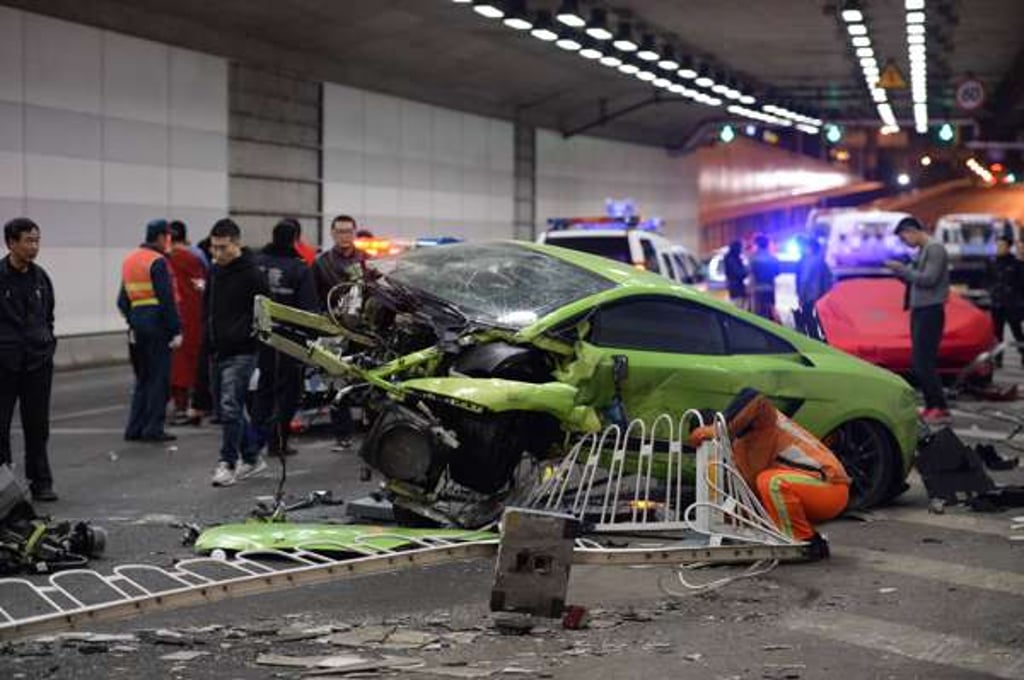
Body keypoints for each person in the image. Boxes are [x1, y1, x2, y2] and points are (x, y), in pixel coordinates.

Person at [690, 388, 847, 558]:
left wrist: (715, 430)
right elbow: (746, 497)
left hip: (830, 486)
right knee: (764, 484)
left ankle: (803, 541)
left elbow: (753, 395)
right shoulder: (741, 446)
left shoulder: (764, 420)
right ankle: (811, 540)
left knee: (771, 482)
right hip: (812, 489)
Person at [205, 219, 270, 486]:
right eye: (214, 248)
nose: (217, 254)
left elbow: (264, 313)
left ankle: (227, 463)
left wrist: (254, 341)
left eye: (223, 248)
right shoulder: (215, 272)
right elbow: (207, 309)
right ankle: (252, 457)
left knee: (230, 407)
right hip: (219, 348)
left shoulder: (252, 274)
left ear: (237, 243)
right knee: (231, 408)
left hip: (243, 350)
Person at [0, 218, 58, 502]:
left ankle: (41, 482)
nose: (34, 246)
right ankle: (5, 486)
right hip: (5, 364)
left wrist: (47, 344)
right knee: (1, 426)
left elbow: (48, 316)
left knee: (37, 426)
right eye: (28, 241)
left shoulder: (41, 279)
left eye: (36, 240)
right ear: (11, 243)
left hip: (37, 363)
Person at [252, 219, 319, 457]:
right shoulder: (299, 268)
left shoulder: (255, 263)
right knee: (288, 392)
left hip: (259, 337)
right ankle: (277, 441)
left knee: (263, 388)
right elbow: (308, 310)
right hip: (289, 341)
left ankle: (255, 440)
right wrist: (314, 338)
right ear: (295, 240)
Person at [117, 219, 181, 443]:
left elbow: (122, 300)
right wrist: (176, 329)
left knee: (142, 378)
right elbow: (167, 299)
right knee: (158, 378)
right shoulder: (158, 261)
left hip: (136, 324)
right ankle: (153, 428)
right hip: (157, 325)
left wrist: (134, 318)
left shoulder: (130, 260)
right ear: (163, 237)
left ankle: (134, 428)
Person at [314, 215, 374, 451]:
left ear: (354, 233)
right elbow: (314, 296)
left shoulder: (367, 262)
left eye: (348, 231)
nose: (344, 236)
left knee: (370, 380)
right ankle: (343, 436)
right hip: (333, 329)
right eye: (339, 232)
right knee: (336, 383)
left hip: (364, 331)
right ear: (332, 233)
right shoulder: (321, 264)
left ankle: (372, 433)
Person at [885, 216, 951, 425]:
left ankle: (940, 407)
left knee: (924, 361)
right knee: (919, 361)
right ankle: (932, 405)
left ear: (912, 231)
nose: (905, 242)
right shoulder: (923, 250)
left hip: (930, 310)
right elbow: (916, 278)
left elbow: (929, 279)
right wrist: (901, 272)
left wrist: (902, 269)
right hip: (921, 309)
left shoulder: (935, 249)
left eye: (904, 237)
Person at [167, 221, 206, 425]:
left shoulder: (163, 259)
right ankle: (193, 405)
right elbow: (203, 286)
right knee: (191, 362)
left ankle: (179, 406)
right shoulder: (195, 257)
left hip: (171, 317)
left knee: (175, 364)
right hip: (193, 317)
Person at [988, 235, 1024, 368]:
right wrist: (991, 291)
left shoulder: (1017, 264)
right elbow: (987, 280)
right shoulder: (992, 262)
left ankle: (1023, 354)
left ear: (1009, 247)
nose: (999, 248)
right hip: (997, 303)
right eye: (997, 245)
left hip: (1012, 304)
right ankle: (998, 359)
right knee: (997, 333)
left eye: (1002, 246)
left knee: (1017, 332)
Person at [795, 238, 833, 338]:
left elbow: (803, 280)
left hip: (808, 294)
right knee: (818, 317)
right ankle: (823, 336)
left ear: (810, 247)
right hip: (819, 294)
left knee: (808, 316)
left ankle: (813, 337)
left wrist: (800, 294)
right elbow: (828, 279)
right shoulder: (821, 261)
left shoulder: (805, 260)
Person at [749, 234, 780, 321]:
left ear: (757, 244)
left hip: (757, 289)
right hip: (770, 288)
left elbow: (750, 272)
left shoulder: (753, 258)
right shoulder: (773, 258)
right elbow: (777, 272)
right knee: (770, 311)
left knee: (758, 314)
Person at [723, 240, 749, 309]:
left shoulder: (732, 258)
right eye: (741, 247)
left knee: (739, 306)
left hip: (736, 287)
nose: (742, 249)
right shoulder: (732, 259)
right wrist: (747, 269)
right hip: (736, 287)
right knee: (738, 308)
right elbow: (738, 273)